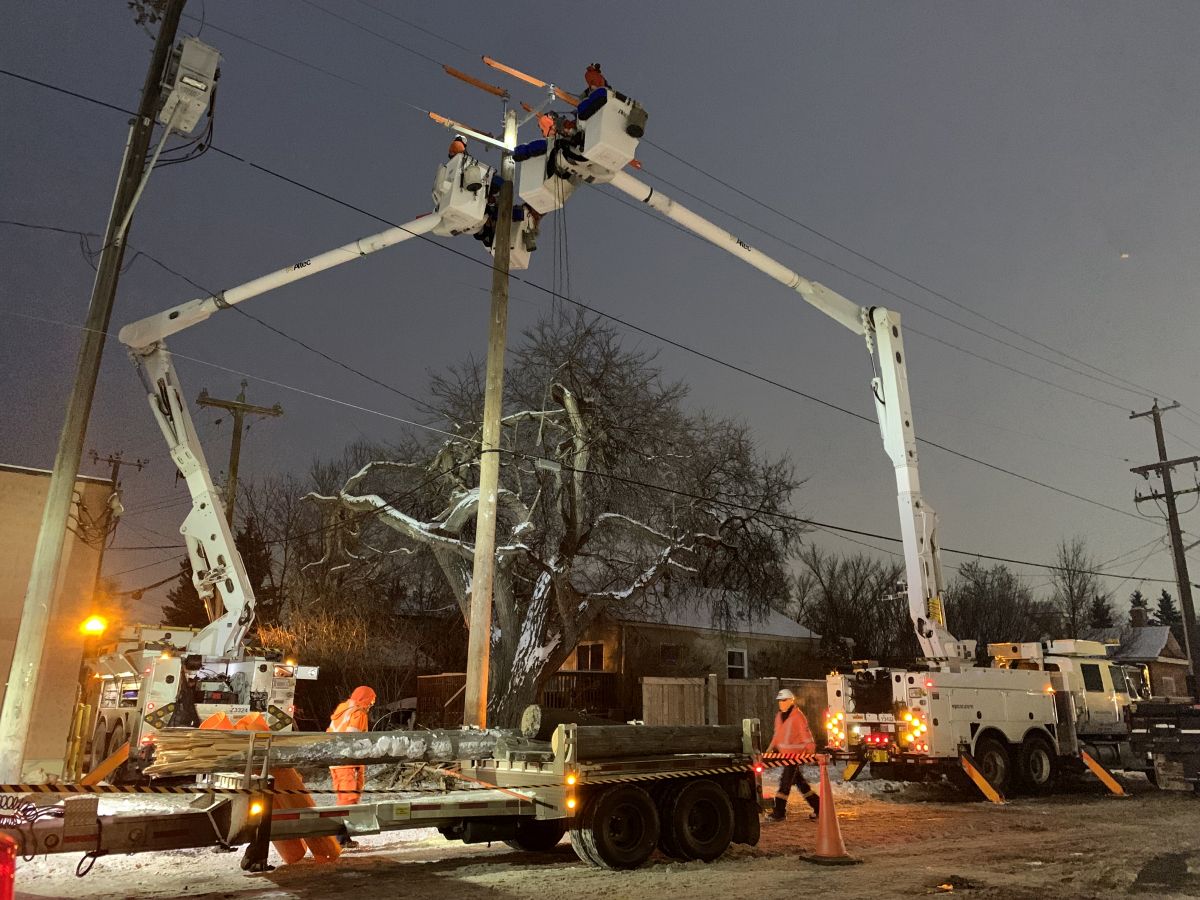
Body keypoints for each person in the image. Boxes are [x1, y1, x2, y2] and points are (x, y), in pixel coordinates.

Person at [327, 685, 376, 847]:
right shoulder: (359, 713)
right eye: (371, 701)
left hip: (335, 760)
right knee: (348, 799)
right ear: (365, 699)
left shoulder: (343, 708)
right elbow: (352, 738)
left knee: (346, 798)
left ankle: (342, 837)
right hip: (347, 761)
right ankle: (340, 838)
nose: (371, 705)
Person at [764, 688, 819, 822]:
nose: (781, 703)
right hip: (786, 756)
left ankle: (779, 812)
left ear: (790, 701)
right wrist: (770, 748)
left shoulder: (798, 716)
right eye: (779, 701)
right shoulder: (779, 717)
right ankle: (818, 806)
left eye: (783, 701)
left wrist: (811, 751)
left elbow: (806, 735)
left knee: (785, 783)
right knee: (801, 783)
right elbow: (777, 735)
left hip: (795, 757)